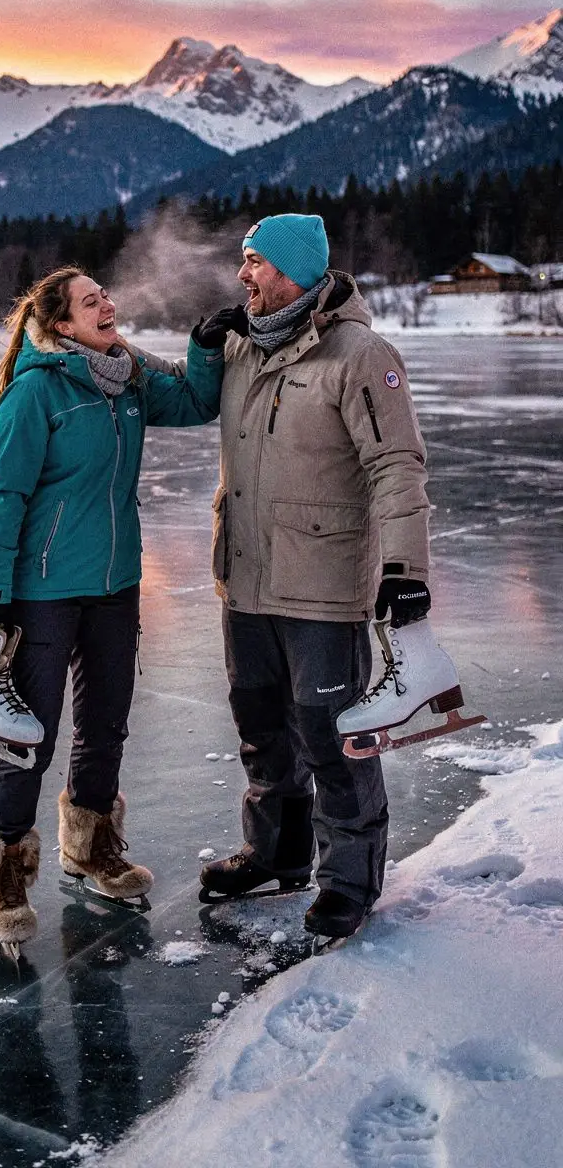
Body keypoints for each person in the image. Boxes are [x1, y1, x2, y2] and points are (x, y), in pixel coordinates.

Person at [0, 266, 225, 954]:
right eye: (90, 300)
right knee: (28, 736)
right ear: (60, 326)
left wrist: (202, 344)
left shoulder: (127, 382)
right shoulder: (37, 392)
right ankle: (2, 870)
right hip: (43, 588)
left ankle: (91, 846)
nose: (108, 302)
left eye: (105, 292)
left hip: (115, 582)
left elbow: (198, 403)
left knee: (107, 722)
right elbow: (5, 496)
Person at [193, 213, 432, 940]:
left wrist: (403, 569)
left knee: (333, 739)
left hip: (324, 586)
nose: (244, 277)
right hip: (247, 580)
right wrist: (202, 352)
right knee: (262, 731)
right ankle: (278, 852)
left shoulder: (359, 354)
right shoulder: (239, 346)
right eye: (244, 262)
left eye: (257, 263)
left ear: (295, 270)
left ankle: (349, 881)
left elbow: (396, 464)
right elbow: (186, 399)